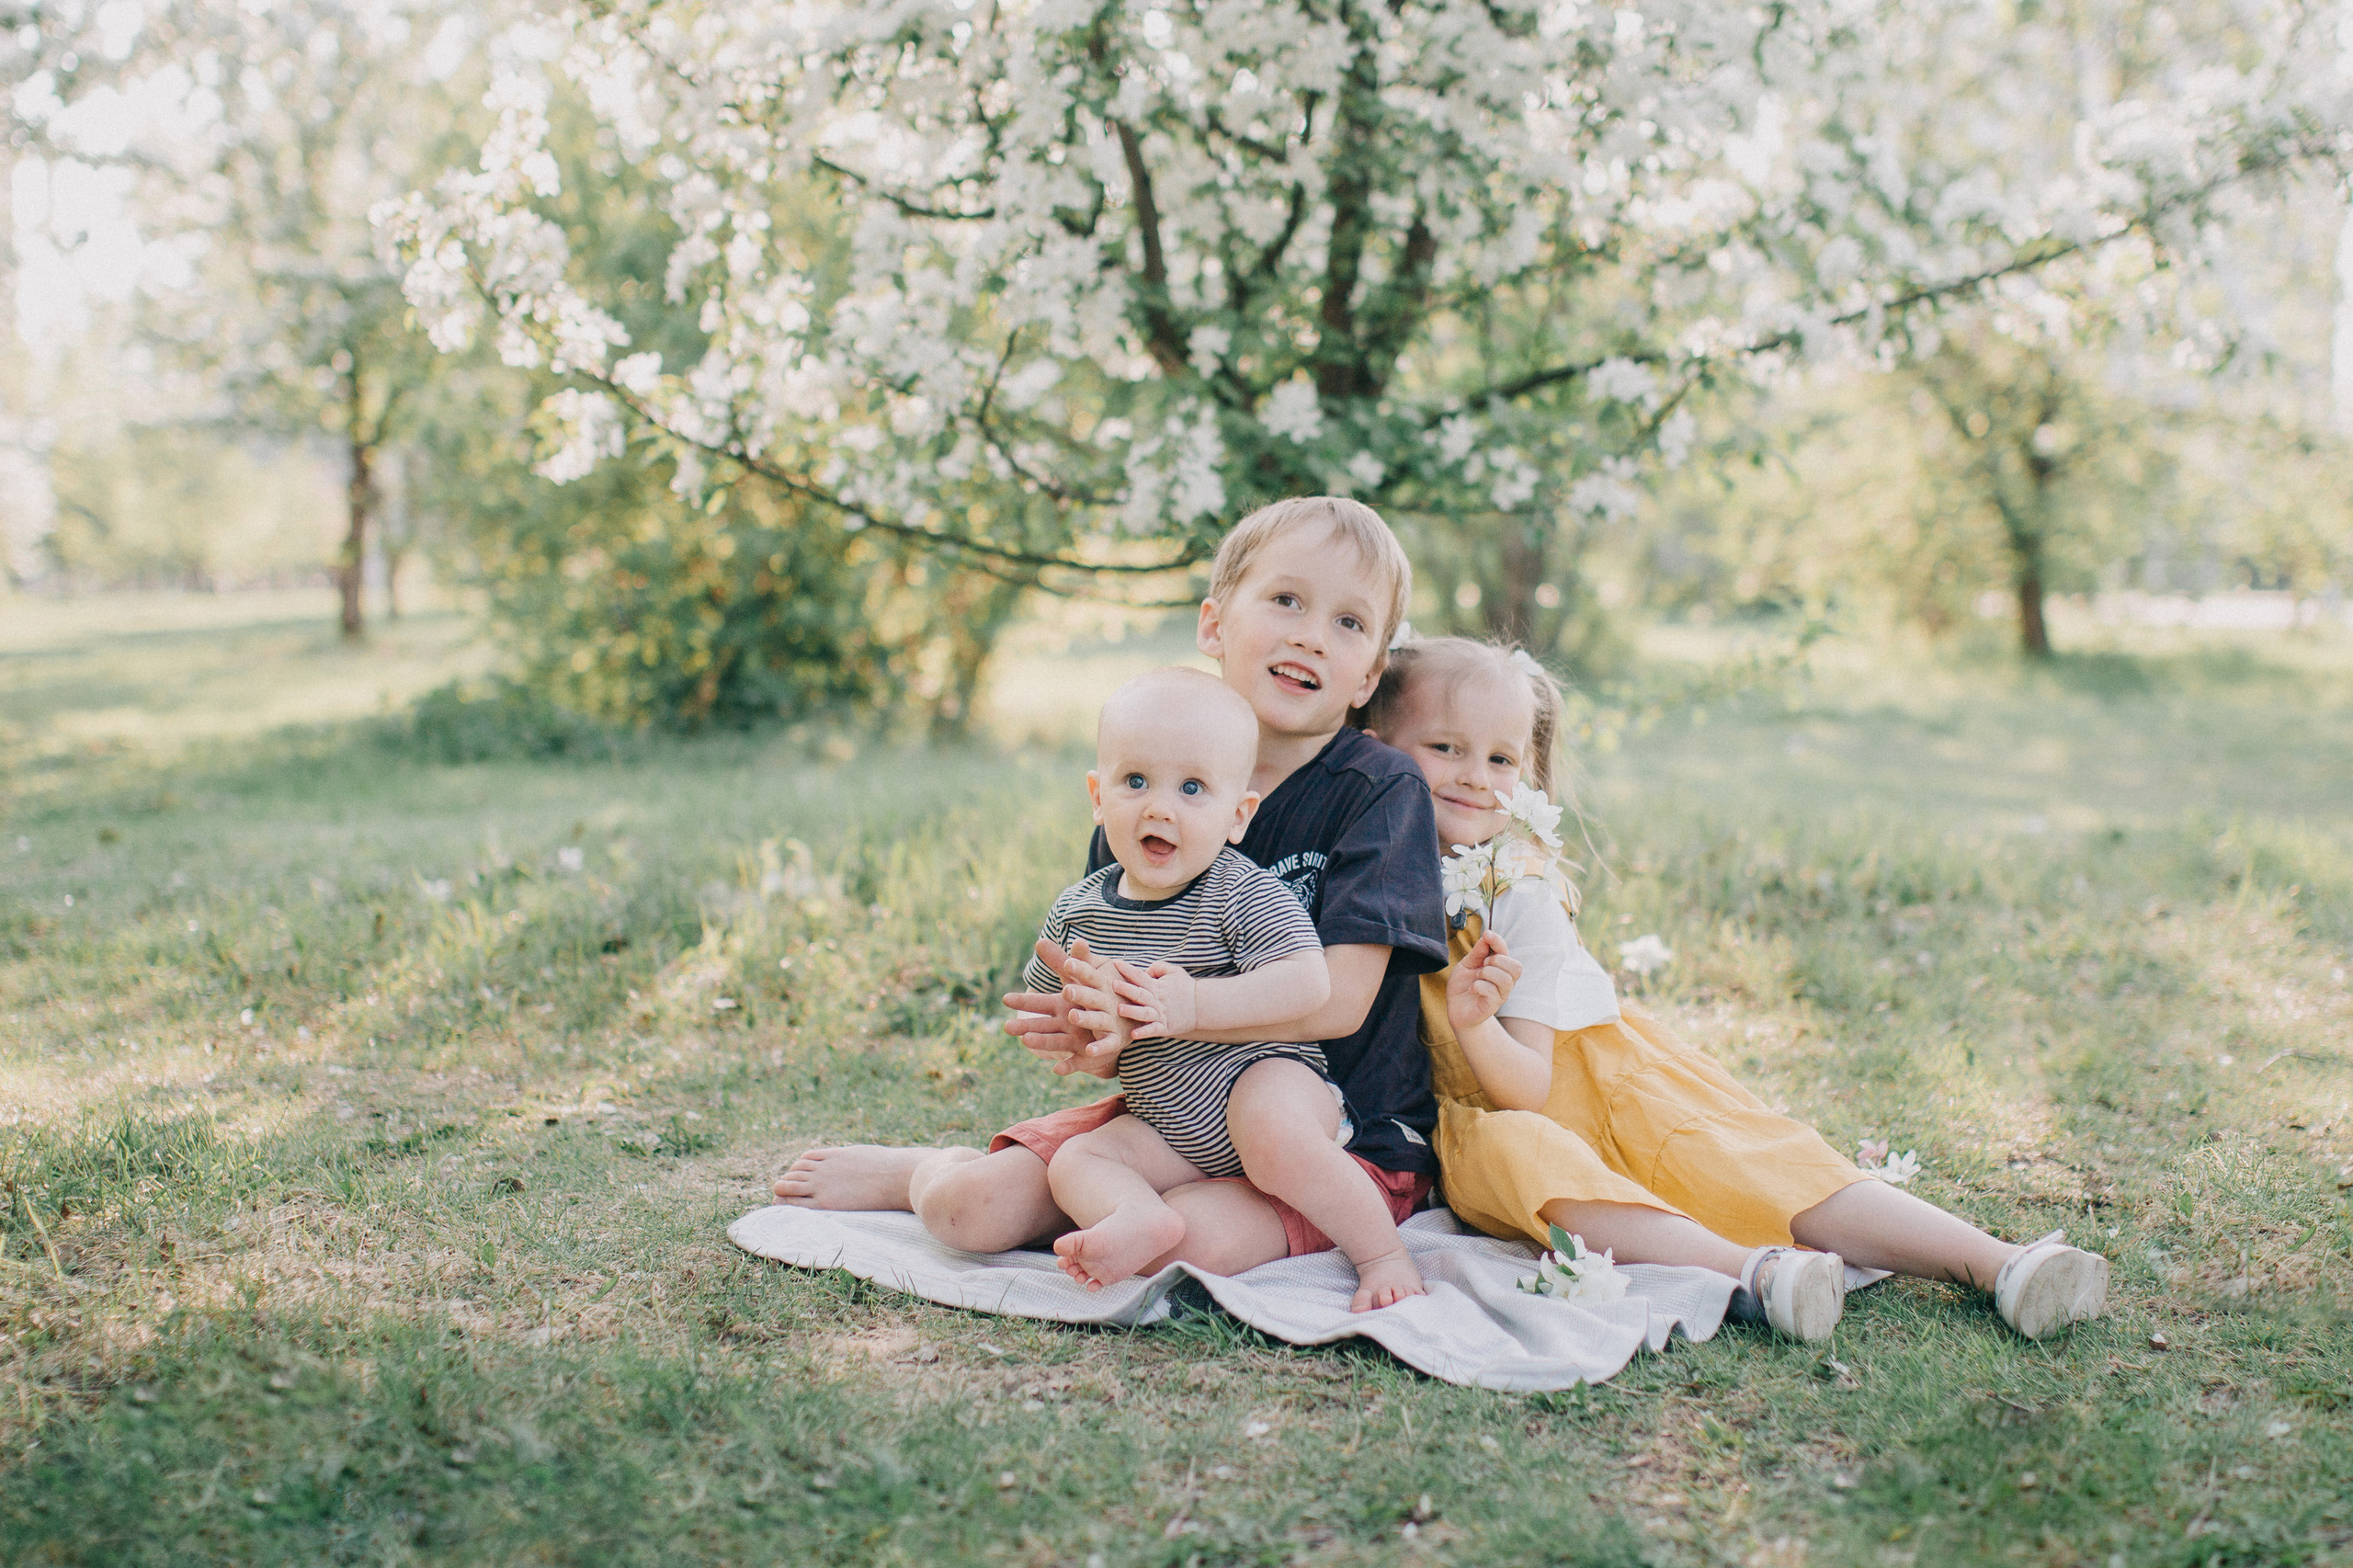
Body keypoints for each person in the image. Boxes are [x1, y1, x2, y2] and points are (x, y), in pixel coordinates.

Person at [775, 496, 1451, 1312]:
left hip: (1335, 1129)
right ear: (1214, 625)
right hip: (1172, 1112)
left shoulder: (1377, 790)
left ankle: (1111, 1209)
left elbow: (1339, 1003)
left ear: (1370, 675)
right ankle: (925, 1169)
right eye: (1286, 601)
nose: (1312, 634)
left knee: (1183, 1239)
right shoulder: (1152, 780)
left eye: (1349, 624)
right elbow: (1113, 998)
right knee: (968, 1211)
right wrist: (1095, 1032)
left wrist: (1177, 1005)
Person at [1360, 634, 2112, 1341]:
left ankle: (2001, 1263)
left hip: (1590, 1078)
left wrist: (1474, 1023)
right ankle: (1760, 1275)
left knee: (1751, 1163)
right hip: (1485, 1121)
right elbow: (1505, 1112)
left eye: (1501, 760)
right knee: (1525, 1161)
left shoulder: (1515, 896)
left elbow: (1528, 1081)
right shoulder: (1364, 873)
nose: (1475, 778)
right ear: (1376, 750)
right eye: (1444, 748)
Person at [1019, 667, 1423, 1308]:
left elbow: (1309, 982)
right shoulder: (1080, 912)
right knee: (1078, 1161)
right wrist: (1081, 1035)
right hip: (1170, 1120)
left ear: (1238, 816)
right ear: (1098, 797)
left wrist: (1194, 1004)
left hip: (1266, 1077)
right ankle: (1137, 1215)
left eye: (1191, 788)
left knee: (1269, 1128)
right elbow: (1082, 1035)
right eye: (1135, 782)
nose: (1159, 806)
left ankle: (1383, 1255)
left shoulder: (1239, 890)